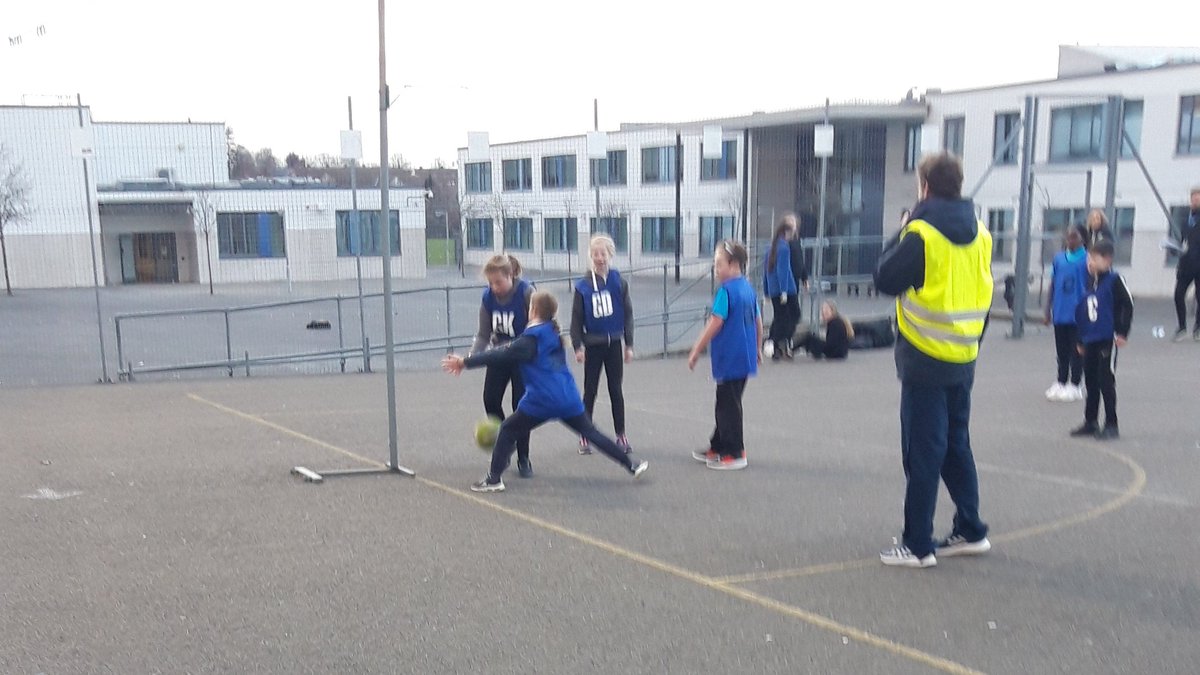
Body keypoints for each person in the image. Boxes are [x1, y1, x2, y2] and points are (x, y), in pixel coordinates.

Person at [873, 152, 993, 568]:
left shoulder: (922, 233)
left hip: (925, 356)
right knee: (956, 444)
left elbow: (885, 277)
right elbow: (984, 291)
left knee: (922, 451)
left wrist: (903, 228)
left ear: (924, 185)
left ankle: (917, 543)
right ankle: (971, 527)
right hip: (963, 354)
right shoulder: (980, 232)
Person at [443, 291, 649, 493]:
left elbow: (500, 355)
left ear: (532, 310)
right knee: (591, 433)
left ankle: (494, 479)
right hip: (567, 397)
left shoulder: (531, 339)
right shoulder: (552, 331)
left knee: (507, 430)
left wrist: (465, 362)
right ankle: (631, 464)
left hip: (542, 400)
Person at [689, 240, 762, 471]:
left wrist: (696, 349)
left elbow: (716, 322)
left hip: (730, 356)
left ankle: (734, 451)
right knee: (728, 401)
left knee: (728, 405)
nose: (716, 269)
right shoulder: (748, 289)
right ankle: (719, 445)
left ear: (734, 264)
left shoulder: (726, 291)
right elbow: (759, 322)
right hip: (745, 355)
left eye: (719, 264)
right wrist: (758, 347)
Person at [470, 255, 535, 478]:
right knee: (490, 399)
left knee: (522, 407)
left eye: (498, 282)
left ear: (510, 276)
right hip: (499, 355)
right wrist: (472, 357)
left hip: (523, 358)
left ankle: (524, 458)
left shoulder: (526, 294)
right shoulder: (488, 298)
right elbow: (483, 334)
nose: (494, 287)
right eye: (490, 283)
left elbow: (540, 326)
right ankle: (506, 443)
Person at [571, 235, 634, 455]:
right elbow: (576, 319)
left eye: (603, 254)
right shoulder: (583, 287)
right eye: (595, 254)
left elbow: (627, 314)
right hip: (594, 346)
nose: (600, 258)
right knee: (590, 390)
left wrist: (629, 344)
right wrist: (577, 347)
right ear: (590, 257)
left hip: (614, 344)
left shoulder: (619, 282)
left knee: (616, 389)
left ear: (610, 255)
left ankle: (621, 435)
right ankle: (584, 434)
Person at [1070, 240, 1133, 441]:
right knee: (1090, 380)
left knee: (1106, 380)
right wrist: (1080, 339)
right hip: (1091, 338)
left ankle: (1112, 423)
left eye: (1094, 258)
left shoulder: (1114, 280)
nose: (1090, 262)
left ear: (1107, 260)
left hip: (1107, 338)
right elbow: (1084, 313)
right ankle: (1091, 421)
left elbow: (1127, 305)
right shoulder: (1091, 283)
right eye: (1089, 258)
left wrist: (1122, 332)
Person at [1043, 225, 1088, 402]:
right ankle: (1061, 380)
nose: (1070, 240)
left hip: (1078, 313)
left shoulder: (1087, 259)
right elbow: (1053, 284)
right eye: (1068, 237)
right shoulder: (1059, 259)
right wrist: (1048, 309)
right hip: (1061, 311)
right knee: (1061, 350)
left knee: (1076, 350)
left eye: (1074, 237)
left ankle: (1075, 383)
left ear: (1082, 239)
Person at [763, 216, 798, 360]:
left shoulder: (770, 247)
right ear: (787, 232)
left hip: (773, 289)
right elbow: (782, 270)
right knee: (794, 315)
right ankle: (779, 341)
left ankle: (775, 347)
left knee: (779, 317)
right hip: (786, 289)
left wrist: (766, 292)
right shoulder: (784, 247)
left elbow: (766, 271)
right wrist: (784, 290)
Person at [1171, 187, 1200, 342]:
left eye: (1198, 198)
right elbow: (1182, 241)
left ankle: (1198, 328)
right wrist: (1177, 249)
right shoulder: (1186, 219)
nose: (1195, 201)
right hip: (1186, 264)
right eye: (1193, 199)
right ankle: (1182, 326)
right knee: (1178, 295)